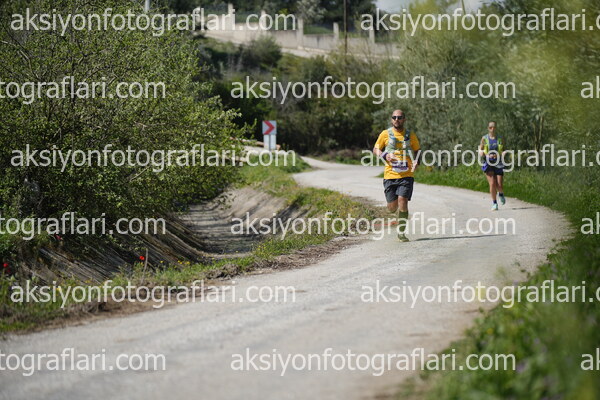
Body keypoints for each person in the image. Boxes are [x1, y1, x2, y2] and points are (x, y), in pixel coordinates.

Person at [373, 110, 421, 242]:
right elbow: (376, 149)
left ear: (404, 119)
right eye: (394, 117)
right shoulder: (385, 134)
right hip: (390, 175)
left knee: (402, 201)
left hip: (406, 175)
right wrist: (385, 155)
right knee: (392, 208)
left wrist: (417, 161)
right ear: (391, 119)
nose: (396, 119)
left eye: (399, 117)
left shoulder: (410, 135)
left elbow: (417, 150)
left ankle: (401, 233)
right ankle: (393, 210)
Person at [478, 121, 506, 211]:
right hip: (488, 162)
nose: (492, 129)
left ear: (496, 128)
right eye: (490, 127)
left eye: (494, 127)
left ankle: (501, 194)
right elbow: (481, 149)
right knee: (492, 183)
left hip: (498, 162)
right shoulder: (484, 138)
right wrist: (481, 153)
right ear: (488, 128)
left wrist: (503, 153)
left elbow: (503, 149)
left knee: (499, 185)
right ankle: (494, 203)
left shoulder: (500, 138)